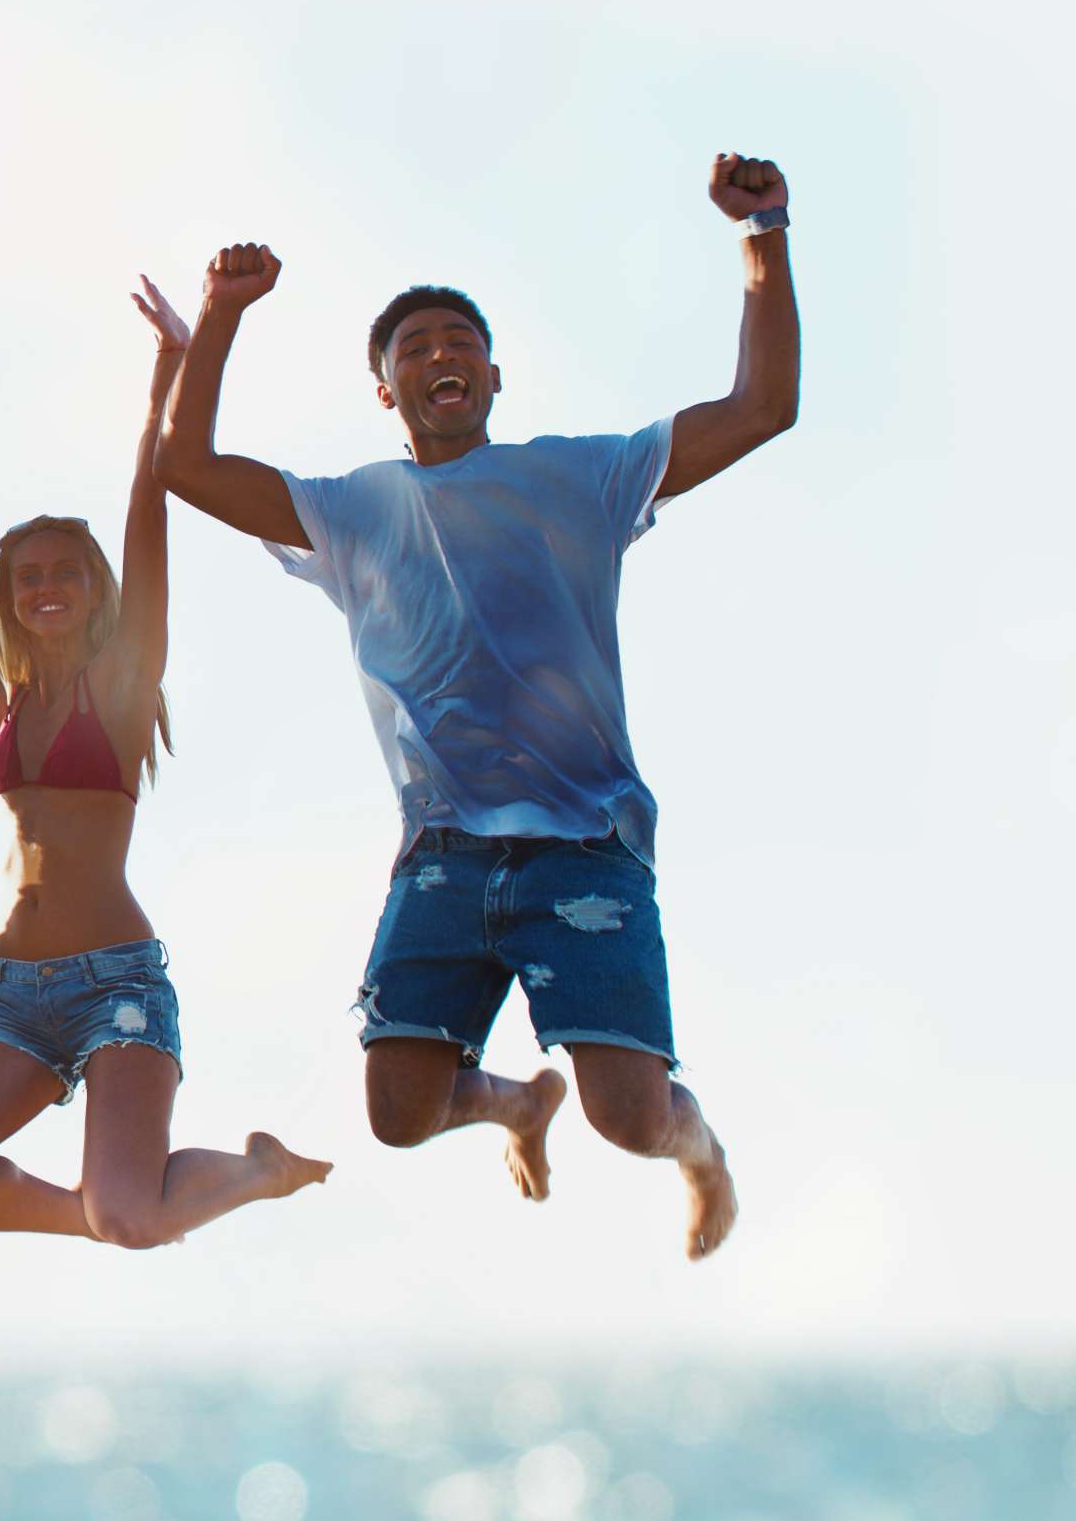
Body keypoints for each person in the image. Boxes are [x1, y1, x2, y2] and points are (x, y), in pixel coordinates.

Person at [159, 153, 801, 1260]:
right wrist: (219, 315)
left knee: (630, 1117)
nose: (440, 355)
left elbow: (762, 407)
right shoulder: (347, 508)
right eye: (414, 348)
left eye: (460, 343)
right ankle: (510, 1101)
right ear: (386, 390)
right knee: (396, 1113)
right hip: (443, 855)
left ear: (494, 378)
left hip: (583, 848)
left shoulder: (582, 478)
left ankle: (705, 1156)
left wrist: (765, 233)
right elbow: (185, 462)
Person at [0, 285, 334, 1247]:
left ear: (96, 589)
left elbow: (147, 510)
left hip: (115, 987)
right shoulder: (5, 689)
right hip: (13, 992)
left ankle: (238, 1178)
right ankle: (105, 1215)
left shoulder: (125, 682)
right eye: (28, 577)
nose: (44, 587)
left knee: (134, 1220)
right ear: (8, 600)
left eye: (64, 572)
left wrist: (165, 376)